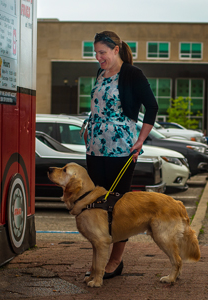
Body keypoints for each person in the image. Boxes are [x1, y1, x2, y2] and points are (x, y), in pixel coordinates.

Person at [83, 30, 158, 279]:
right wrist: (89, 126)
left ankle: (115, 261)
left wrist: (140, 140)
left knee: (118, 206)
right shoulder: (100, 73)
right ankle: (100, 260)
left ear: (116, 50)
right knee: (97, 204)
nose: (98, 57)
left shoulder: (132, 74)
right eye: (96, 53)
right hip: (95, 148)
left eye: (102, 52)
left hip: (120, 150)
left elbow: (152, 107)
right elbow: (98, 108)